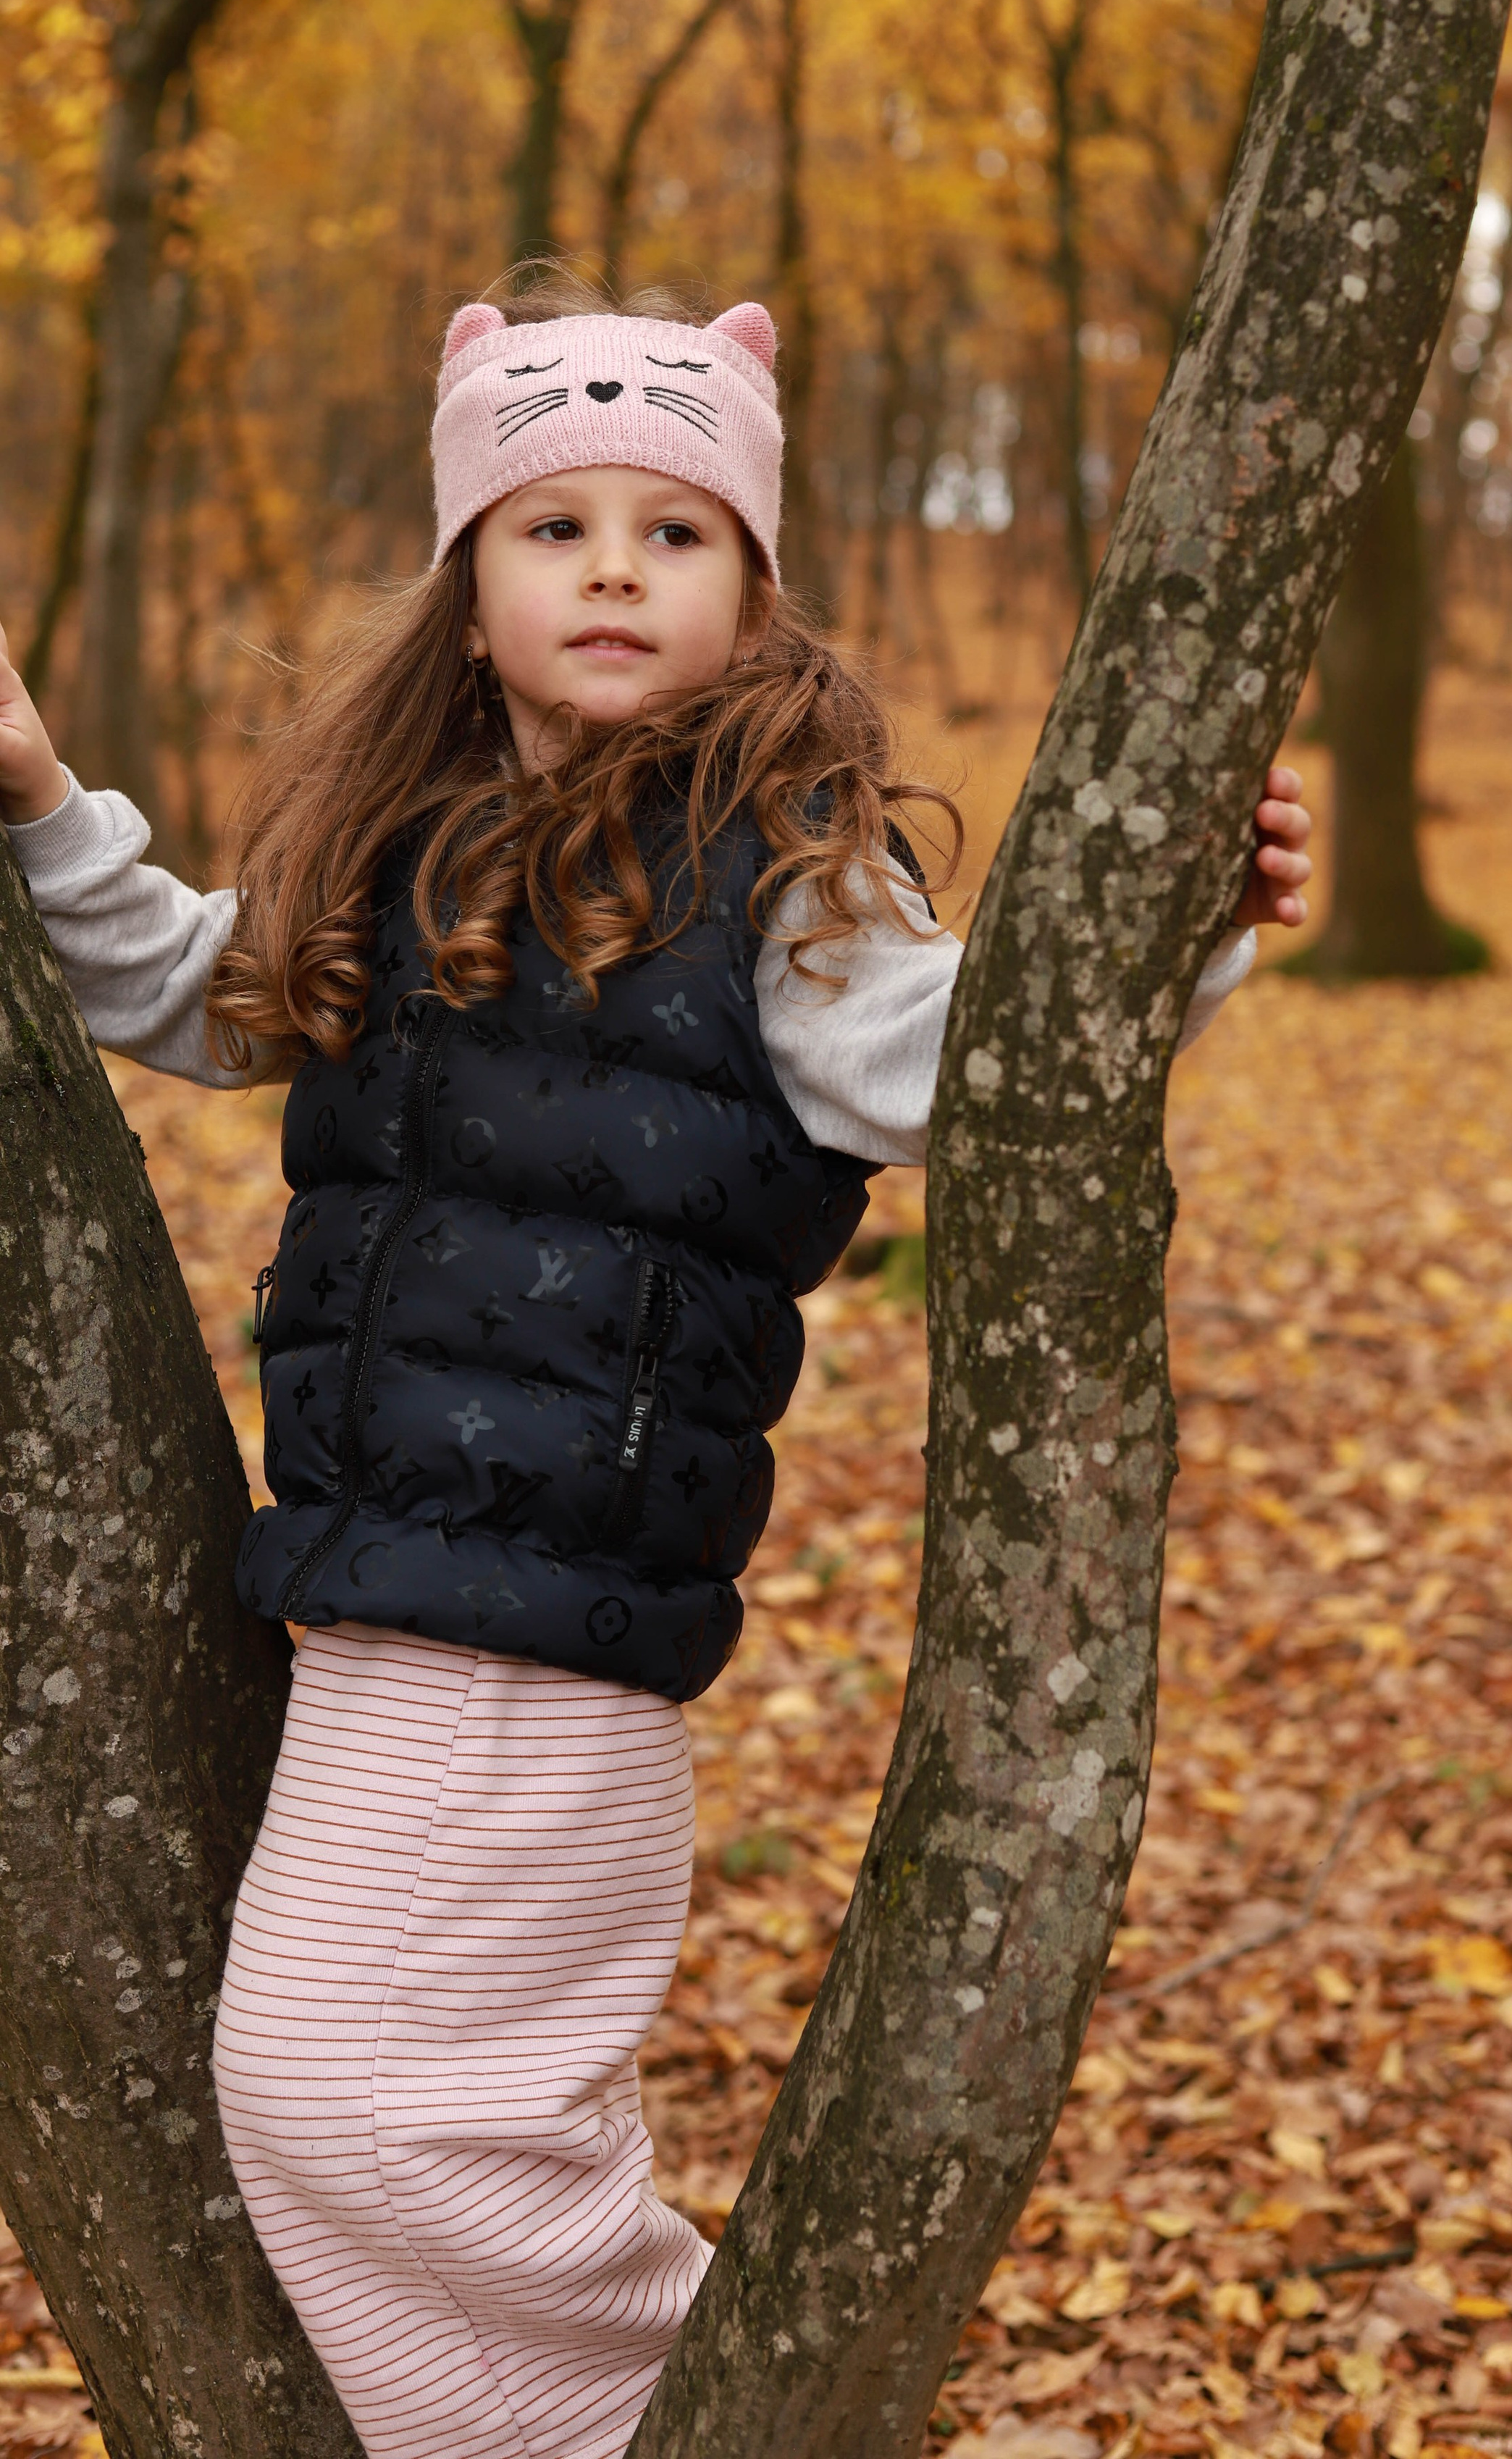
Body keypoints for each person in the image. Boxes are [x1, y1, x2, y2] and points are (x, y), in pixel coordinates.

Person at [0, 276, 1314, 2459]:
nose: (615, 564)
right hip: (387, 1596)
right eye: (554, 523)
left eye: (676, 528)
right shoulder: (402, 852)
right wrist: (45, 800)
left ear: (754, 588)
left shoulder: (790, 882)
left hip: (544, 1623)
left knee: (353, 2108)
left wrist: (1177, 927)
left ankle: (673, 2422)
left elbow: (965, 1058)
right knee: (386, 2119)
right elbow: (204, 997)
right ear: (469, 583)